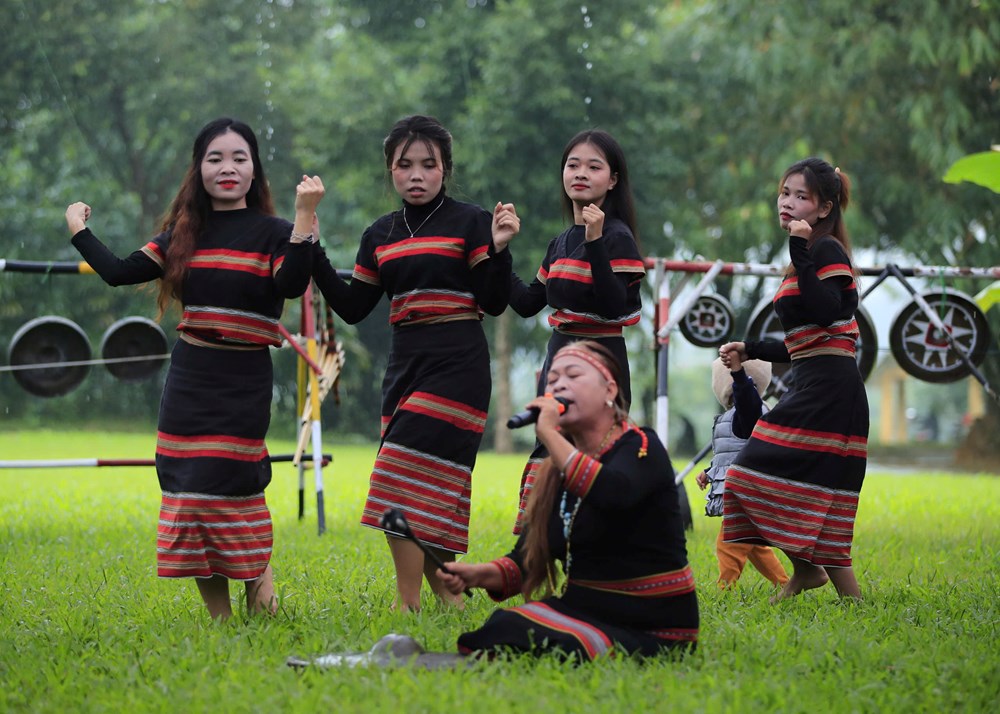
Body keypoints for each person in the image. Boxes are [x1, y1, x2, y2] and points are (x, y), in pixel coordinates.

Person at [64, 117, 323, 620]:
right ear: (199, 169)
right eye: (215, 158)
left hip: (244, 380)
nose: (227, 168)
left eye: (239, 158)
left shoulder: (275, 233)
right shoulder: (183, 235)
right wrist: (79, 229)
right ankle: (220, 619)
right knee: (191, 488)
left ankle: (261, 597)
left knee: (236, 483)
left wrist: (304, 218)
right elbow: (119, 272)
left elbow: (291, 284)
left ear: (254, 171)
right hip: (190, 380)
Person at [311, 115, 518, 611]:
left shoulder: (471, 221)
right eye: (405, 165)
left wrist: (501, 249)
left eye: (429, 164)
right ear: (391, 171)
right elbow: (354, 307)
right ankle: (451, 596)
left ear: (445, 169)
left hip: (459, 366)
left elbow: (492, 301)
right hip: (404, 367)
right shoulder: (379, 233)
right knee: (423, 486)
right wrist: (314, 249)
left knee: (395, 477)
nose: (417, 174)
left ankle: (408, 604)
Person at [437, 341, 698, 661]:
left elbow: (612, 493)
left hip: (655, 627)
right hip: (584, 611)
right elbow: (525, 561)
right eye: (553, 379)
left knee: (525, 635)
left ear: (610, 390)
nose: (559, 384)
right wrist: (476, 574)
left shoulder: (643, 446)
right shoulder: (556, 474)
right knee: (504, 624)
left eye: (573, 375)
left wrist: (549, 435)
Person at [719, 157, 868, 602]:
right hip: (815, 382)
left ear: (824, 209)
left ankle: (816, 575)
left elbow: (830, 311)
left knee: (746, 475)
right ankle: (824, 582)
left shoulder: (824, 251)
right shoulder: (808, 252)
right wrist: (752, 349)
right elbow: (806, 342)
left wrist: (801, 252)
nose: (788, 202)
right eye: (785, 193)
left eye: (801, 196)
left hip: (832, 391)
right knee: (816, 489)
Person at [507, 130, 645, 533]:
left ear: (613, 179)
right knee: (550, 441)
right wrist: (499, 252)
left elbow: (614, 303)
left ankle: (601, 554)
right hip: (559, 359)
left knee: (597, 444)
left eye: (593, 166)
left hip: (601, 360)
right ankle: (537, 550)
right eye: (573, 164)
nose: (580, 173)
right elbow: (528, 302)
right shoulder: (560, 242)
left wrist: (596, 241)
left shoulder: (618, 237)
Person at [696, 356, 789, 589]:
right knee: (754, 545)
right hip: (739, 487)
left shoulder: (752, 411)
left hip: (747, 488)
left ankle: (725, 587)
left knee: (730, 540)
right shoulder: (730, 416)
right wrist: (709, 472)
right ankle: (784, 583)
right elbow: (728, 453)